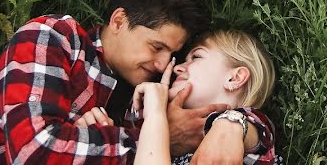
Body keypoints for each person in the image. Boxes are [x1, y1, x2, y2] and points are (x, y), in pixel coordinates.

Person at [0, 0, 258, 164]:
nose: (161, 64)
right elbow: (35, 152)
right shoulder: (55, 37)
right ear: (118, 20)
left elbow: (240, 112)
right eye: (156, 46)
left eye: (171, 54)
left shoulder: (148, 97)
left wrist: (235, 123)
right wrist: (158, 140)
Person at [75, 30, 282, 165]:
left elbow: (255, 128)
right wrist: (102, 137)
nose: (178, 68)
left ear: (235, 78)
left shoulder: (251, 137)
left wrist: (231, 123)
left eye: (197, 57)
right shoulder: (152, 125)